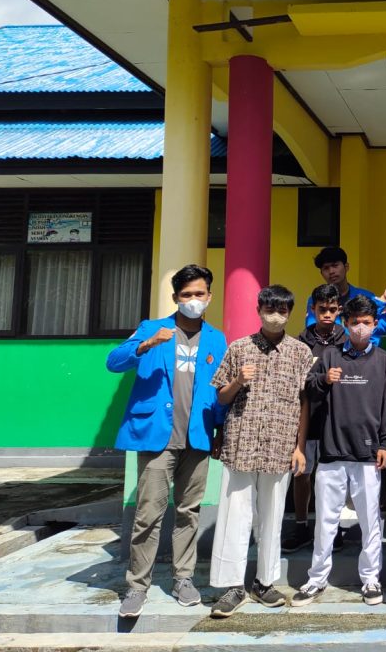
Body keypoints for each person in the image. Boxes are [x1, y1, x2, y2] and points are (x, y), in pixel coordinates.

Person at [108, 264, 227, 619]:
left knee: (189, 512)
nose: (193, 300)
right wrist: (146, 345)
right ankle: (137, 585)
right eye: (186, 294)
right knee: (148, 514)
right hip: (157, 436)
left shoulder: (217, 339)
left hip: (198, 436)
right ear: (175, 297)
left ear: (210, 296)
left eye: (199, 294)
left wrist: (220, 431)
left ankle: (183, 579)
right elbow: (113, 362)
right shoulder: (152, 328)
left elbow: (220, 389)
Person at [208, 285, 312, 619]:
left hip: (280, 446)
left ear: (289, 313)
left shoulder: (301, 352)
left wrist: (299, 448)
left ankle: (264, 583)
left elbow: (304, 402)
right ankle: (232, 587)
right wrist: (238, 380)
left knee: (272, 516)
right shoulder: (238, 348)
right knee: (234, 516)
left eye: (282, 309)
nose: (275, 315)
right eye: (270, 308)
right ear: (259, 310)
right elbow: (221, 397)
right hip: (241, 443)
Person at [293, 295, 386, 607]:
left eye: (366, 322)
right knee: (326, 520)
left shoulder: (384, 361)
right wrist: (324, 379)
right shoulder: (331, 356)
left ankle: (371, 579)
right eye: (355, 322)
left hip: (367, 453)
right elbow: (308, 389)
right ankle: (316, 579)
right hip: (332, 451)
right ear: (345, 324)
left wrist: (383, 443)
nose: (361, 327)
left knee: (370, 521)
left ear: (375, 324)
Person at [283, 284, 348, 554]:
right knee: (303, 473)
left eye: (332, 309)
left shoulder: (346, 341)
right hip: (306, 416)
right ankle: (301, 527)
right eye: (322, 309)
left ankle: (332, 528)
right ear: (313, 309)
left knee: (334, 476)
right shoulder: (301, 341)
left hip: (337, 417)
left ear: (339, 310)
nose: (327, 314)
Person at [304, 247, 377, 327]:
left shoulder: (367, 297)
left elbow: (376, 328)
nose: (331, 271)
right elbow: (312, 328)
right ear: (321, 274)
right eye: (326, 268)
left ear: (346, 267)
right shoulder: (316, 299)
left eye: (335, 265)